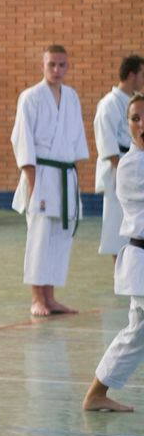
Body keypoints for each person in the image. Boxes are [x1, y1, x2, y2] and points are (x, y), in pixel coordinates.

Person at [11, 44, 89, 316]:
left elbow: (75, 139)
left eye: (61, 65)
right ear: (42, 66)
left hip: (65, 174)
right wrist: (31, 181)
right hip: (41, 173)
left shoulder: (71, 97)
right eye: (51, 65)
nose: (57, 70)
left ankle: (52, 297)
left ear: (68, 66)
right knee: (40, 235)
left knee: (60, 236)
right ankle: (36, 298)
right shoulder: (30, 97)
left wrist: (75, 177)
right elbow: (23, 140)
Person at [83, 94, 144, 413]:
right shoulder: (131, 165)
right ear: (128, 125)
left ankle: (96, 394)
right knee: (136, 333)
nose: (142, 124)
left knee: (136, 334)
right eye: (135, 118)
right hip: (141, 260)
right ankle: (95, 394)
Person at [94, 55, 144, 263]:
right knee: (118, 228)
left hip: (135, 163)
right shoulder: (109, 103)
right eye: (142, 74)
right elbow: (106, 143)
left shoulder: (135, 102)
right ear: (132, 74)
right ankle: (121, 271)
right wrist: (123, 172)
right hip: (119, 170)